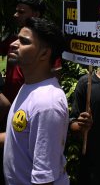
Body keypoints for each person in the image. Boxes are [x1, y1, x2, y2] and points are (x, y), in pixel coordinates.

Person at [1, 17, 69, 184]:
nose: (14, 44)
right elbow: (16, 138)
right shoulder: (29, 87)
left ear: (44, 54)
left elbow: (44, 177)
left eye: (24, 42)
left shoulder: (47, 103)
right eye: (17, 38)